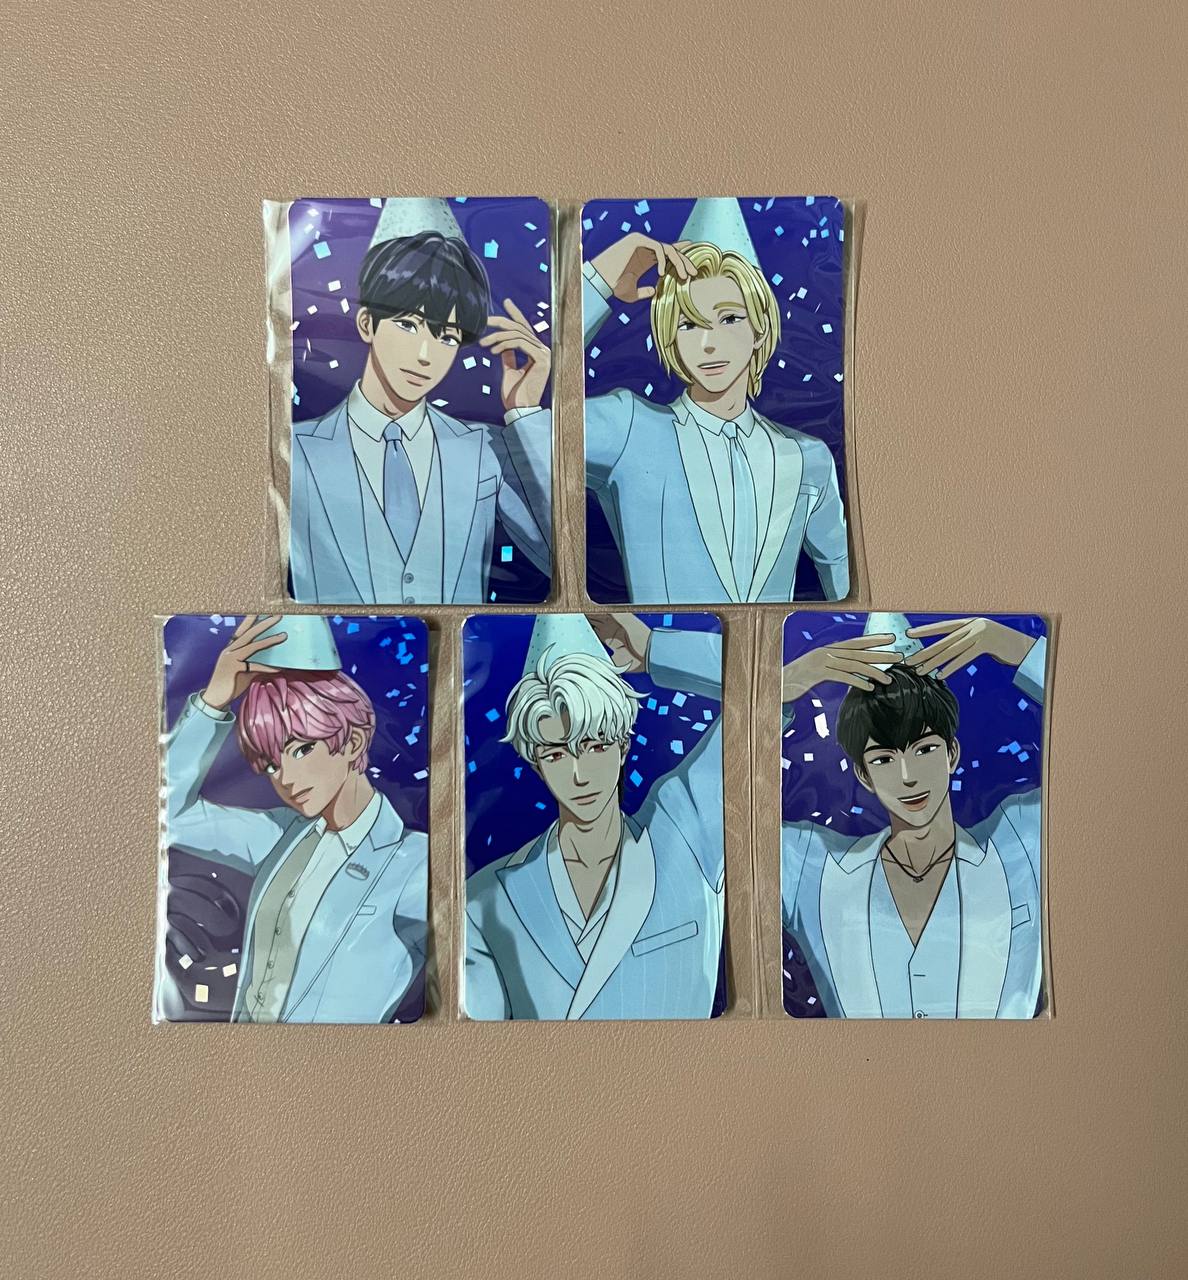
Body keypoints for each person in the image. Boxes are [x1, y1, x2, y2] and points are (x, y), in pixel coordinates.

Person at [163, 615, 428, 1022]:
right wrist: (215, 699)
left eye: (302, 749)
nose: (285, 778)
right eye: (271, 764)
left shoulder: (416, 862)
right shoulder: (279, 836)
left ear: (353, 740)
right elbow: (172, 813)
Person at [780, 617, 1047, 1019]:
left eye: (923, 750)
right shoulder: (811, 868)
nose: (908, 776)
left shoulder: (1022, 842)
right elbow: (719, 809)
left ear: (951, 753)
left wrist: (1017, 648)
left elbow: (1117, 755)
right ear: (863, 775)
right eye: (884, 759)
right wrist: (785, 683)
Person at [464, 613, 724, 1020]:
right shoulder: (485, 901)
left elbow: (771, 692)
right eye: (556, 754)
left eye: (595, 746)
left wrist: (656, 650)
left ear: (622, 746)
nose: (579, 774)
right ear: (536, 765)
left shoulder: (689, 832)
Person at [582, 221, 848, 604]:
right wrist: (600, 277)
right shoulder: (629, 427)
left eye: (729, 319)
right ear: (670, 338)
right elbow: (533, 425)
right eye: (688, 324)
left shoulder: (808, 457)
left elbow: (845, 585)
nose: (708, 344)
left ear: (759, 328)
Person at [291, 226, 552, 604]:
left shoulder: (485, 448)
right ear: (366, 324)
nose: (425, 355)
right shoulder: (294, 450)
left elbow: (559, 558)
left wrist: (525, 413)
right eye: (408, 325)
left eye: (447, 336)